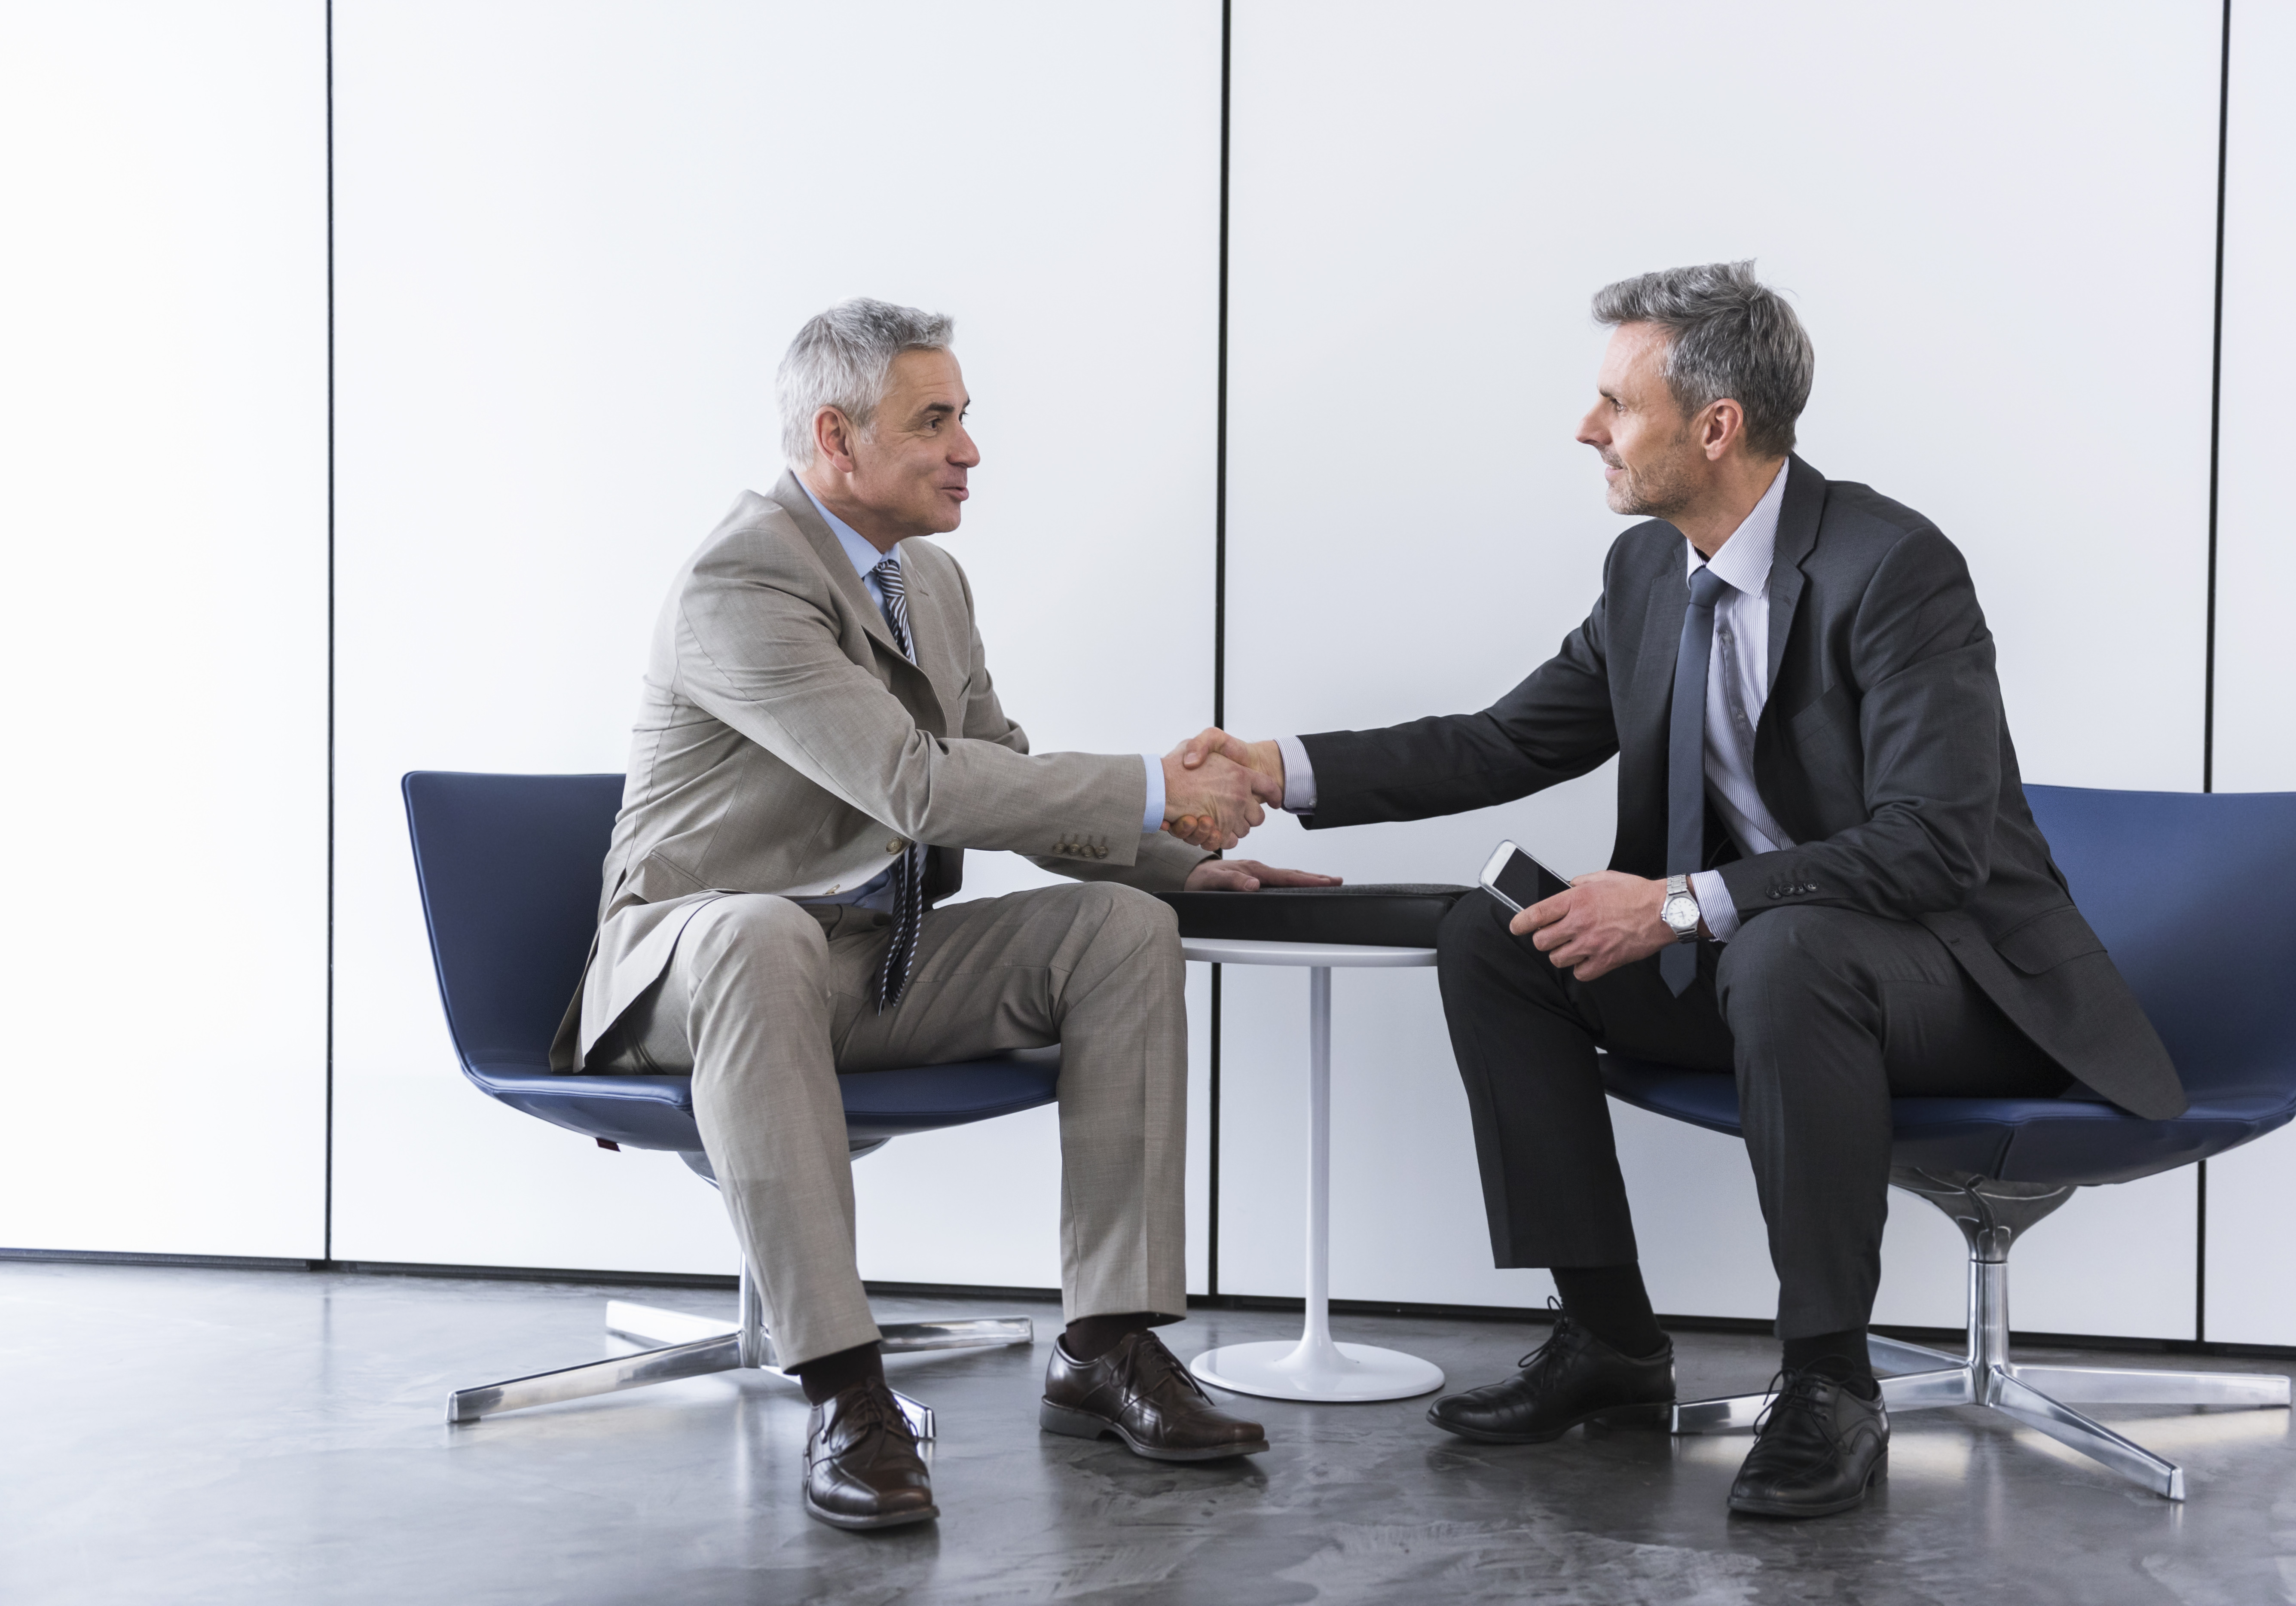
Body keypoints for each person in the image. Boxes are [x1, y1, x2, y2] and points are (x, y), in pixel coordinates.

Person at [1175, 260, 2185, 1519]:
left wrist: (1675, 902)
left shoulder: (1896, 569)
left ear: (1717, 426)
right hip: (1771, 971)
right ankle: (1609, 1340)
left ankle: (1829, 1384)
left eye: (1616, 401)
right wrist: (1279, 769)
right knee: (1493, 938)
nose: (1587, 426)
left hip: (1957, 984)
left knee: (1786, 950)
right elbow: (1504, 740)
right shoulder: (1651, 575)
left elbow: (1932, 845)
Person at [558, 297, 1336, 1531]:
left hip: (869, 961)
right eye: (936, 421)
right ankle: (845, 1388)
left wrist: (1176, 864)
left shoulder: (933, 580)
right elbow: (913, 783)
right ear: (836, 436)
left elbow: (999, 772)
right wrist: (1156, 780)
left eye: (965, 416)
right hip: (699, 968)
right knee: (762, 930)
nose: (969, 448)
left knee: (1117, 932)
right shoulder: (741, 577)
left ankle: (1109, 1344)